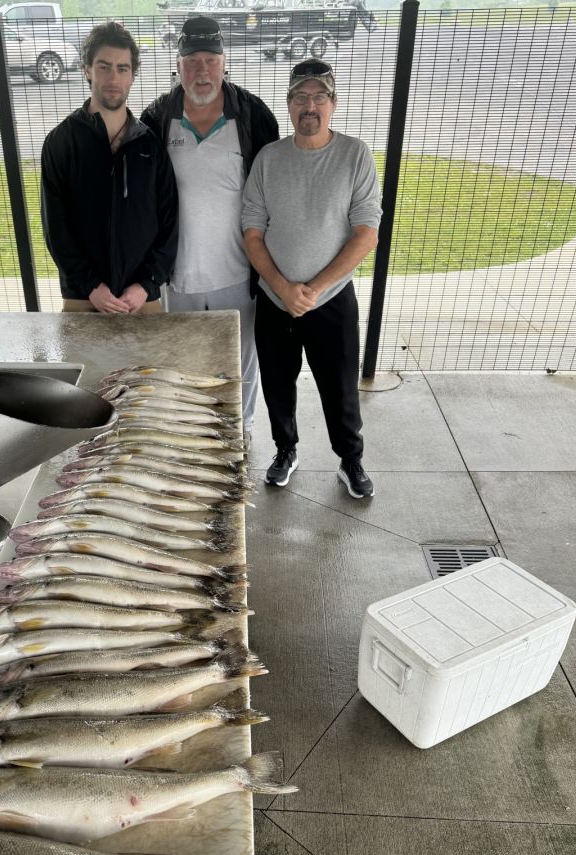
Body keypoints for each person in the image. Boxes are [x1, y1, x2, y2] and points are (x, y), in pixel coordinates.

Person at [241, 60, 382, 497]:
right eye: (301, 97)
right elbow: (252, 232)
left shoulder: (355, 155)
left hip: (332, 299)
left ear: (333, 104)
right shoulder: (269, 159)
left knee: (340, 388)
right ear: (289, 104)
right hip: (274, 299)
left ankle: (351, 460)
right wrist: (283, 288)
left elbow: (366, 233)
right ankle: (285, 451)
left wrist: (314, 289)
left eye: (320, 97)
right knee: (276, 385)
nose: (310, 106)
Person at [141, 16, 279, 432]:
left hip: (238, 274)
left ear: (224, 63)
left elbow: (272, 196)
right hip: (178, 275)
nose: (202, 71)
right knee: (182, 365)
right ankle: (192, 437)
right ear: (178, 66)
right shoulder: (156, 119)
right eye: (192, 61)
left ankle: (240, 434)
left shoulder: (253, 116)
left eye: (211, 60)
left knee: (239, 365)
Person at [40, 21, 178, 314]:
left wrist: (146, 285)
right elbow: (56, 229)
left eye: (122, 68)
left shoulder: (150, 145)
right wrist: (91, 286)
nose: (113, 78)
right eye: (104, 67)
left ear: (132, 75)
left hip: (140, 300)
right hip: (84, 298)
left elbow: (169, 224)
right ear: (87, 70)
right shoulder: (62, 142)